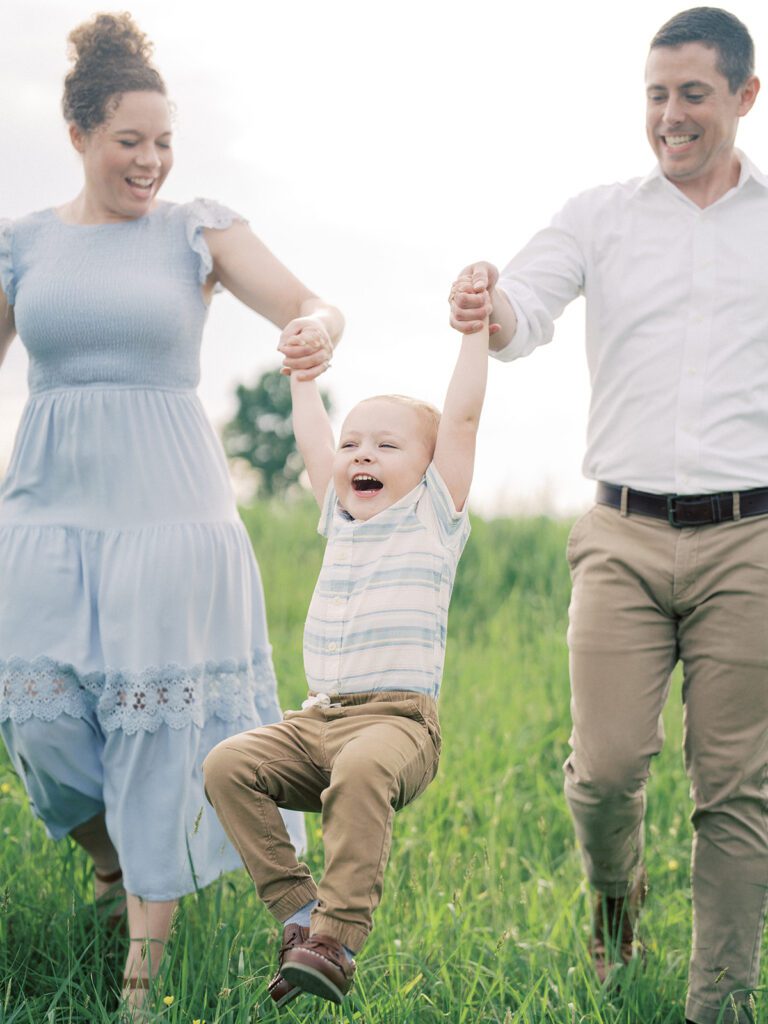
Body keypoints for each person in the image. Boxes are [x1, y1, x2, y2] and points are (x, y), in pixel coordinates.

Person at [0, 11, 343, 1015]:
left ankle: (140, 989)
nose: (149, 161)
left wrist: (317, 331)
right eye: (128, 142)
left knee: (160, 746)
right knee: (39, 725)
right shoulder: (23, 245)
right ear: (78, 135)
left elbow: (310, 303)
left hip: (173, 520)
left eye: (162, 142)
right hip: (45, 517)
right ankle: (112, 864)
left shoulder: (197, 227)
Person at [449, 8, 766, 1024]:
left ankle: (715, 1004)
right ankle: (615, 905)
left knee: (736, 793)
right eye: (656, 95)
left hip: (752, 540)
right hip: (622, 534)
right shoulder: (600, 214)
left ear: (744, 98)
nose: (669, 116)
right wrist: (490, 305)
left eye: (692, 95)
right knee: (608, 766)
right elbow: (525, 307)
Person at [202, 312, 489, 1007]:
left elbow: (462, 420)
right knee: (227, 765)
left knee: (360, 768)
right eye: (353, 443)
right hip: (318, 721)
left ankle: (337, 939)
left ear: (427, 469)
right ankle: (301, 916)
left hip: (398, 725)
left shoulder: (432, 516)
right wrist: (305, 380)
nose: (361, 455)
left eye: (387, 445)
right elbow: (313, 443)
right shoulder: (340, 515)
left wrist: (475, 332)